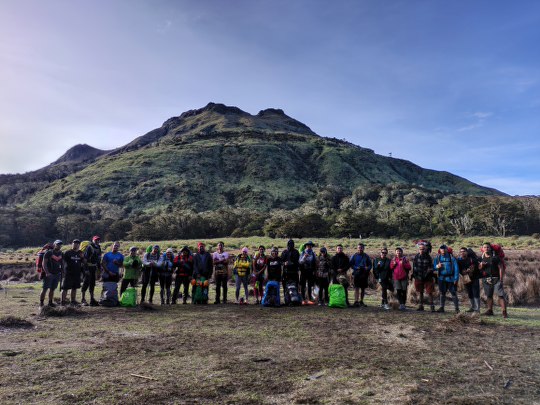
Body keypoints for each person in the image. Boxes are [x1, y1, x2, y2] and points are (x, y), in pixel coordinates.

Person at [479, 243, 507, 318]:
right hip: (486, 279)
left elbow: (501, 268)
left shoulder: (495, 257)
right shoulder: (481, 257)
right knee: (489, 295)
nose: (486, 248)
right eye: (485, 247)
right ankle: (490, 310)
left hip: (496, 279)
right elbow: (479, 268)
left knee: (500, 295)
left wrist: (501, 279)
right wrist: (482, 266)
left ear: (490, 248)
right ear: (482, 248)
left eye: (488, 247)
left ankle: (504, 312)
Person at [433, 245, 460, 313]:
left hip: (451, 279)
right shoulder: (438, 258)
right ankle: (442, 307)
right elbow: (434, 267)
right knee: (442, 293)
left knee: (453, 293)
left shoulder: (452, 258)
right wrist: (437, 266)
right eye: (441, 249)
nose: (443, 251)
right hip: (441, 278)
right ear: (440, 250)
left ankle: (457, 309)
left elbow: (456, 269)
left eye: (444, 249)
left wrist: (456, 279)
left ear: (447, 250)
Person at [411, 242, 435, 312]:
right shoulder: (416, 257)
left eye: (423, 249)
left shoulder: (428, 257)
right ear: (419, 249)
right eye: (420, 249)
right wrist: (415, 276)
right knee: (420, 291)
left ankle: (432, 307)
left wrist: (429, 272)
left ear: (425, 249)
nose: (421, 250)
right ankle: (421, 306)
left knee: (430, 292)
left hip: (428, 277)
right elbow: (414, 267)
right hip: (418, 276)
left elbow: (431, 267)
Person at [40, 240, 64, 307]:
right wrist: (47, 273)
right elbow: (43, 264)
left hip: (57, 274)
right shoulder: (48, 253)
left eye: (60, 245)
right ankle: (41, 304)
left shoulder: (61, 253)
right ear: (54, 244)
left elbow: (62, 263)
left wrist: (63, 271)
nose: (59, 246)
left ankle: (50, 303)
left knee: (52, 289)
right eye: (57, 244)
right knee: (45, 289)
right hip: (49, 274)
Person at [61, 239, 84, 306]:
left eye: (77, 244)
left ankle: (73, 301)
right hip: (68, 273)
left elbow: (84, 262)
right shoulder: (67, 252)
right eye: (74, 243)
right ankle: (63, 302)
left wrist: (82, 257)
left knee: (74, 287)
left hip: (77, 273)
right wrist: (62, 271)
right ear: (72, 244)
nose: (76, 244)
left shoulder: (80, 253)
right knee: (65, 288)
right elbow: (62, 262)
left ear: (79, 245)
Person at [457, 247, 480, 313]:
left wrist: (471, 270)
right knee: (470, 293)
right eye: (461, 251)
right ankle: (473, 307)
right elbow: (458, 270)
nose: (462, 253)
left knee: (476, 293)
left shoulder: (472, 260)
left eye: (464, 251)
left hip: (474, 278)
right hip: (466, 279)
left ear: (467, 252)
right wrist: (463, 272)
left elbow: (477, 268)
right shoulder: (459, 261)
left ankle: (477, 309)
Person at [349, 243, 373, 307]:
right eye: (359, 247)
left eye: (361, 247)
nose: (360, 249)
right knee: (356, 288)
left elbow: (370, 265)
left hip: (364, 273)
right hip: (357, 273)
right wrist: (356, 268)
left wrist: (367, 268)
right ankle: (356, 301)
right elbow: (351, 264)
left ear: (363, 248)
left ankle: (361, 301)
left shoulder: (366, 256)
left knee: (363, 288)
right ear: (357, 248)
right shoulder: (354, 256)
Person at [81, 235, 102, 306]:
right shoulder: (89, 247)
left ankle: (92, 299)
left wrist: (99, 269)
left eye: (98, 240)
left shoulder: (99, 247)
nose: (97, 241)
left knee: (92, 284)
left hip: (94, 268)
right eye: (96, 240)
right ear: (93, 240)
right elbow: (85, 259)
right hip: (88, 268)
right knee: (86, 283)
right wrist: (86, 269)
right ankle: (83, 299)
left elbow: (98, 259)